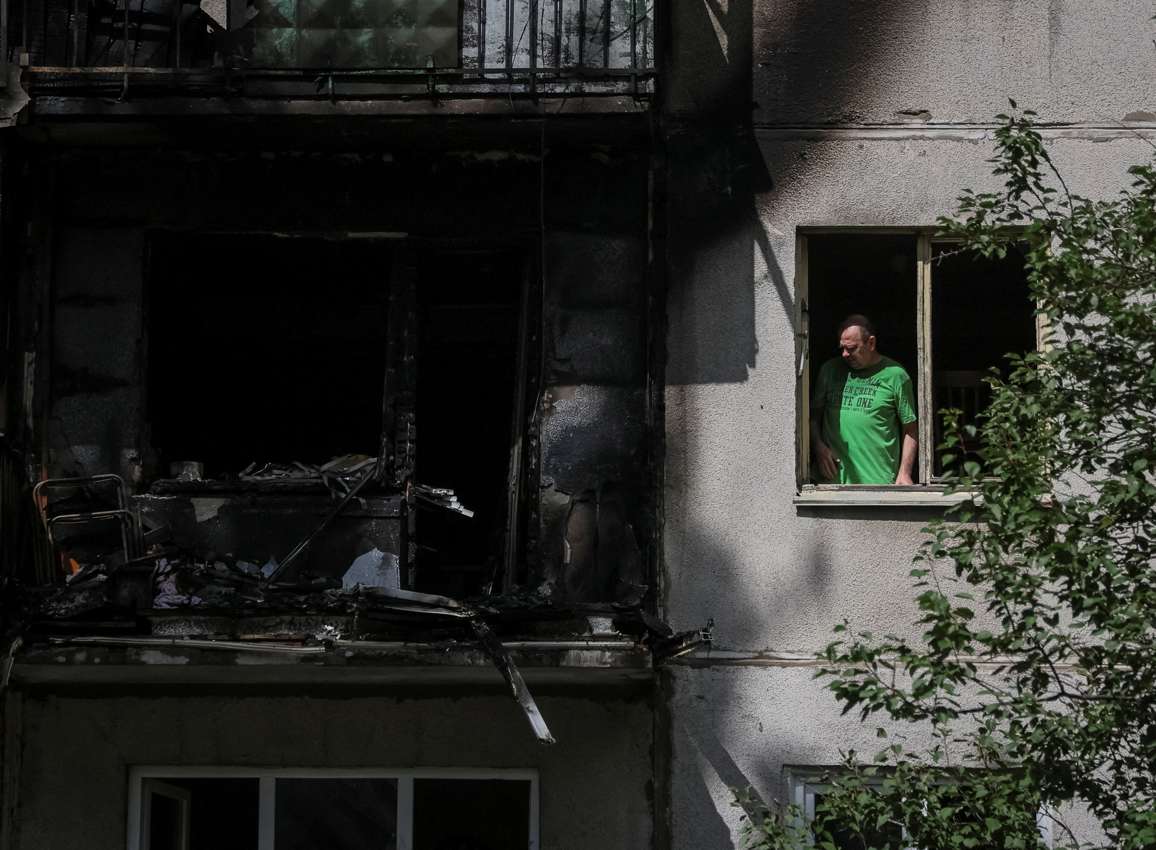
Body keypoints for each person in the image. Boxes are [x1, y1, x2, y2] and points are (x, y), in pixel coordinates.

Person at [810, 314, 918, 485]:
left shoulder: (895, 375)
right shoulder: (829, 370)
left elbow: (911, 429)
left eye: (852, 348)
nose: (845, 354)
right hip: (831, 484)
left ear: (871, 343)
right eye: (842, 348)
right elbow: (812, 417)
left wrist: (904, 472)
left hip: (877, 482)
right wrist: (818, 447)